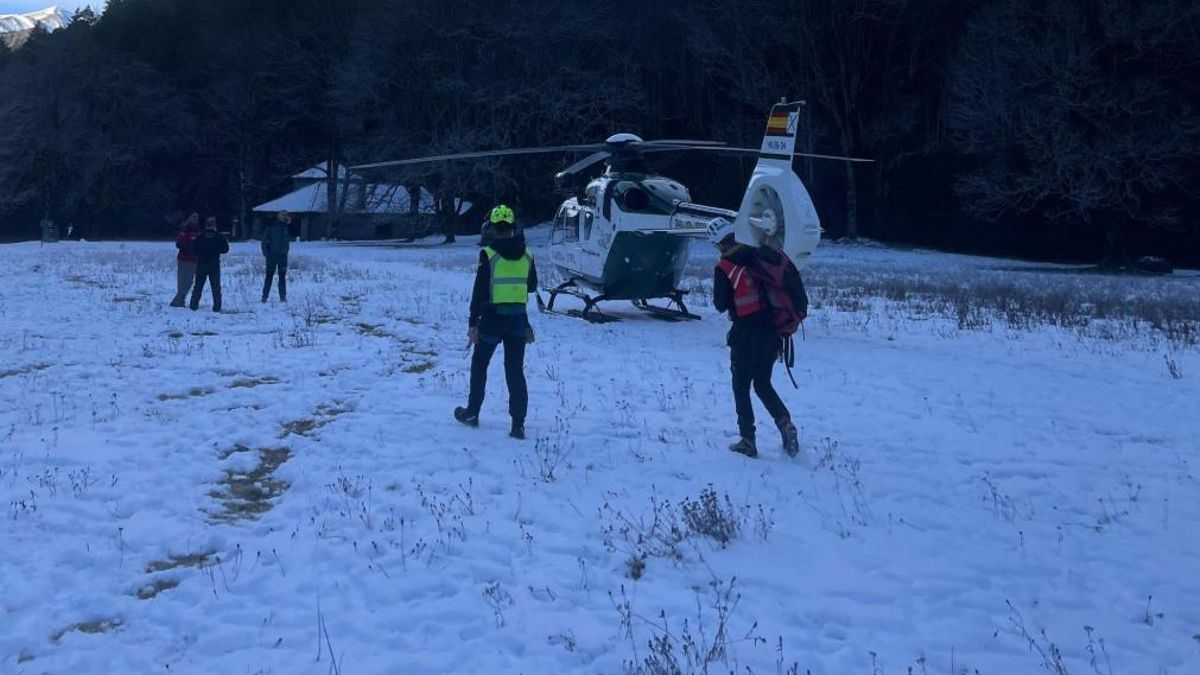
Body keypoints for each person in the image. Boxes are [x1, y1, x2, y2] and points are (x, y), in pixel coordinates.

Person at [708, 217, 806, 458]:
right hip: (772, 333)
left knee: (741, 387)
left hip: (744, 334)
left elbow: (720, 305)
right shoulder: (759, 255)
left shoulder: (724, 267)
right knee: (763, 383)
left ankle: (748, 441)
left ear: (717, 244)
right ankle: (785, 424)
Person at [454, 204, 537, 439]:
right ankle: (518, 424)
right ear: (512, 227)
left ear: (490, 228)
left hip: (491, 319)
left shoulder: (488, 255)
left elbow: (478, 292)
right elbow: (531, 286)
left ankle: (472, 413)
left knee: (480, 365)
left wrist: (473, 323)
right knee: (514, 371)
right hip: (518, 319)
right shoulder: (528, 254)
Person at [190, 217, 229, 312]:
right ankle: (217, 307)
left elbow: (194, 250)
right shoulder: (219, 237)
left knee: (198, 286)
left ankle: (193, 305)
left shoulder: (200, 237)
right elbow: (225, 249)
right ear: (214, 225)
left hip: (201, 264)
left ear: (206, 225)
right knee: (216, 287)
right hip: (214, 264)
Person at [170, 213, 200, 308]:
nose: (195, 219)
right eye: (193, 217)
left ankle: (179, 300)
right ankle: (178, 301)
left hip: (194, 260)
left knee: (189, 282)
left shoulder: (198, 231)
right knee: (182, 281)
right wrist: (188, 248)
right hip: (184, 259)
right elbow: (179, 243)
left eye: (196, 217)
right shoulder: (185, 230)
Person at [261, 211, 292, 302]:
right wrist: (266, 253)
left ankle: (283, 297)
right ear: (278, 215)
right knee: (269, 276)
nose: (284, 216)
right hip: (272, 256)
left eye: (286, 215)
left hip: (283, 256)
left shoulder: (286, 227)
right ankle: (264, 296)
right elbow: (264, 240)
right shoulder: (271, 226)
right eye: (282, 215)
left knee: (282, 276)